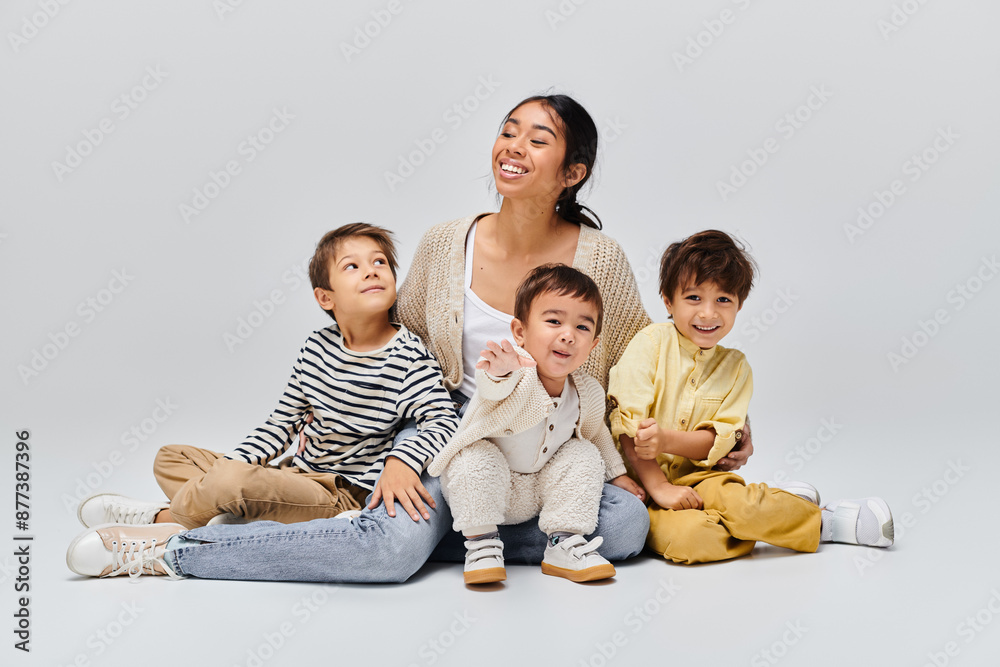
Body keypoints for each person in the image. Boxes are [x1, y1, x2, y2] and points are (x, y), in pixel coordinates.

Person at [63, 94, 749, 583]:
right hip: (456, 437)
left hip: (552, 445)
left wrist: (717, 433)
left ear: (573, 172)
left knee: (625, 528)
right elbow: (409, 357)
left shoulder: (600, 258)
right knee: (391, 551)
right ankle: (170, 550)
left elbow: (642, 360)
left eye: (538, 139)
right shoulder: (447, 243)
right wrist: (398, 455)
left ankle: (389, 528)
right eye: (508, 131)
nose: (513, 146)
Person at [66, 223, 460, 577]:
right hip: (296, 473)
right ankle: (221, 513)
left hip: (339, 495)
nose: (372, 270)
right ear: (325, 297)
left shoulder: (408, 356)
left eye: (380, 262)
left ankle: (166, 519)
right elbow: (281, 425)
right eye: (352, 266)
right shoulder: (316, 347)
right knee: (171, 457)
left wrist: (401, 460)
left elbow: (443, 419)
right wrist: (233, 468)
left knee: (230, 481)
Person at [608, 230, 894, 565]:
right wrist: (659, 487)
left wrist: (665, 440)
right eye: (694, 298)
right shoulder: (650, 344)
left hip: (702, 478)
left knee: (742, 506)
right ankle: (775, 510)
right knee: (692, 539)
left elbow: (719, 440)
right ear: (669, 301)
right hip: (639, 487)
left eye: (723, 300)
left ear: (739, 305)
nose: (708, 313)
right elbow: (627, 426)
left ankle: (823, 522)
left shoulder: (736, 368)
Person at [430, 265, 645, 584]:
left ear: (593, 345)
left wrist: (619, 475)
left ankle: (562, 541)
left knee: (583, 453)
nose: (568, 335)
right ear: (520, 332)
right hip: (491, 487)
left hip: (540, 491)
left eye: (582, 327)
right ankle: (481, 543)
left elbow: (597, 434)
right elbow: (491, 390)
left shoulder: (587, 391)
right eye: (554, 321)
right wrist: (499, 373)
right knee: (473, 459)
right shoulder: (514, 374)